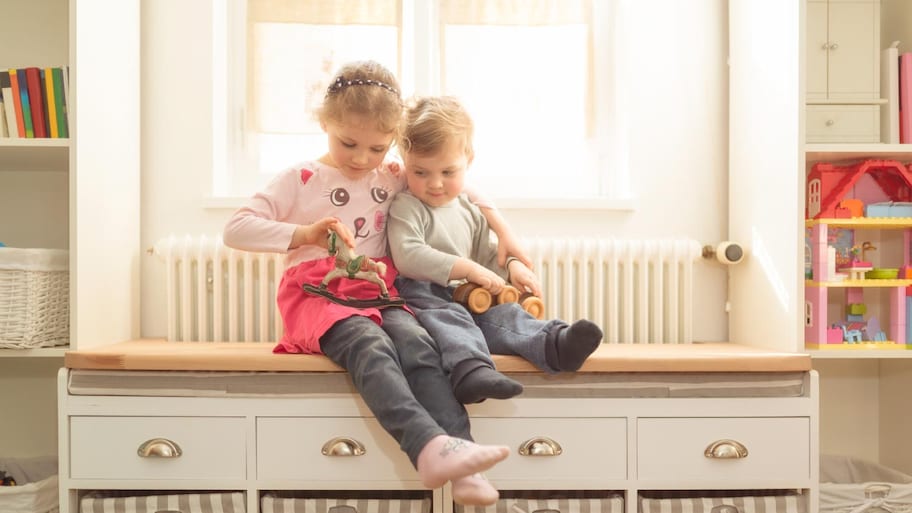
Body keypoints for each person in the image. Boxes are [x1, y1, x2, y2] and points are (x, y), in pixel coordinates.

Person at [223, 61, 527, 505]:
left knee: (419, 344)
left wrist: (505, 232)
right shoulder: (301, 178)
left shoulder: (392, 174)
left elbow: (457, 182)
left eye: (377, 148)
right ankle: (425, 445)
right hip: (317, 294)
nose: (362, 159)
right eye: (348, 143)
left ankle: (464, 462)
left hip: (377, 291)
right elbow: (235, 228)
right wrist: (303, 234)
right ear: (324, 120)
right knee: (371, 345)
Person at [387, 96, 604, 403]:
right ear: (405, 162)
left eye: (448, 172)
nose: (435, 183)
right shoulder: (406, 206)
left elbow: (485, 254)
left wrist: (512, 266)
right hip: (422, 295)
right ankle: (470, 371)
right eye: (420, 172)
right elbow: (408, 255)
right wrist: (468, 269)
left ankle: (555, 344)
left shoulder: (468, 209)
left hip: (465, 294)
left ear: (468, 159)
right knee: (449, 318)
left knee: (505, 315)